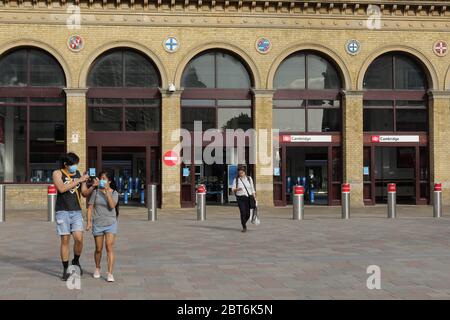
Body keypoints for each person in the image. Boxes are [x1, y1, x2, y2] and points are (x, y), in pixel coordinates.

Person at [52, 152, 93, 281]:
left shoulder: (78, 174)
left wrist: (92, 186)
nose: (75, 166)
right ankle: (65, 269)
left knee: (79, 239)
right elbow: (61, 188)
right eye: (73, 164)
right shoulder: (57, 173)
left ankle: (75, 261)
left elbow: (84, 193)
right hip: (62, 210)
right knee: (65, 240)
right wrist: (78, 181)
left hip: (76, 211)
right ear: (66, 164)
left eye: (76, 164)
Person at [86, 171, 119, 282]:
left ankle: (110, 273)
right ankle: (97, 268)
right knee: (98, 249)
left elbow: (112, 205)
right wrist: (89, 222)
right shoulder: (95, 192)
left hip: (111, 223)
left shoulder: (114, 192)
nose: (102, 180)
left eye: (104, 178)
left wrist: (106, 192)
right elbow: (90, 208)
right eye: (101, 178)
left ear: (109, 181)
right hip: (98, 224)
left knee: (109, 247)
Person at [232, 166, 257, 233]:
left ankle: (243, 222)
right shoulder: (236, 180)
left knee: (248, 214)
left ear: (244, 172)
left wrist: (255, 197)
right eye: (239, 173)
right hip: (240, 198)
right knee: (243, 212)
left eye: (242, 173)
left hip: (248, 198)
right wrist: (237, 189)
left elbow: (252, 188)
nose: (241, 174)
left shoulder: (249, 179)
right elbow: (233, 189)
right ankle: (244, 226)